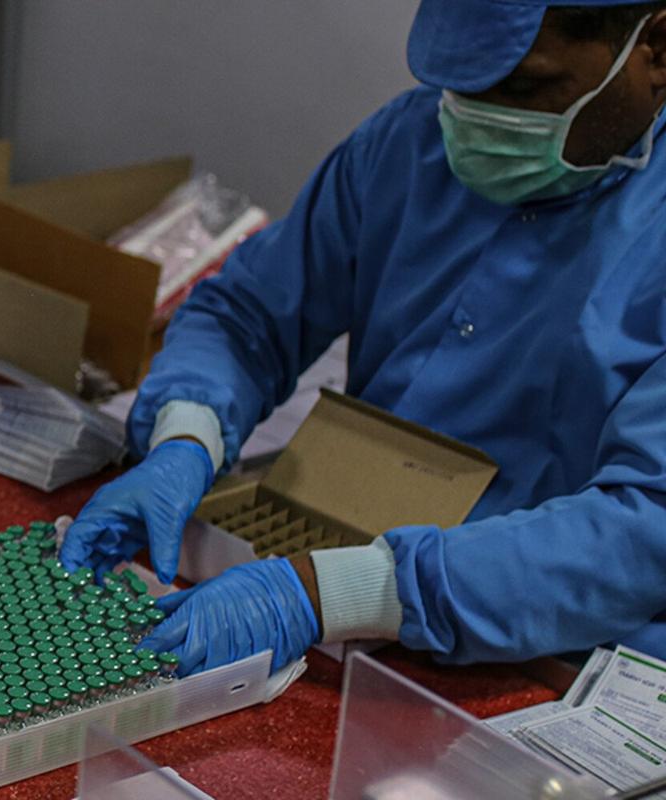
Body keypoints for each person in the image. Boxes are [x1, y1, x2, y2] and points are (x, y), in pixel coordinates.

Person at [61, 0, 666, 678]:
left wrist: (343, 592)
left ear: (657, 50)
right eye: (459, 88)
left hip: (556, 661)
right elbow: (249, 312)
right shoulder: (412, 143)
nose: (476, 122)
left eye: (523, 90)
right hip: (346, 582)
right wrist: (186, 434)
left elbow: (644, 531)